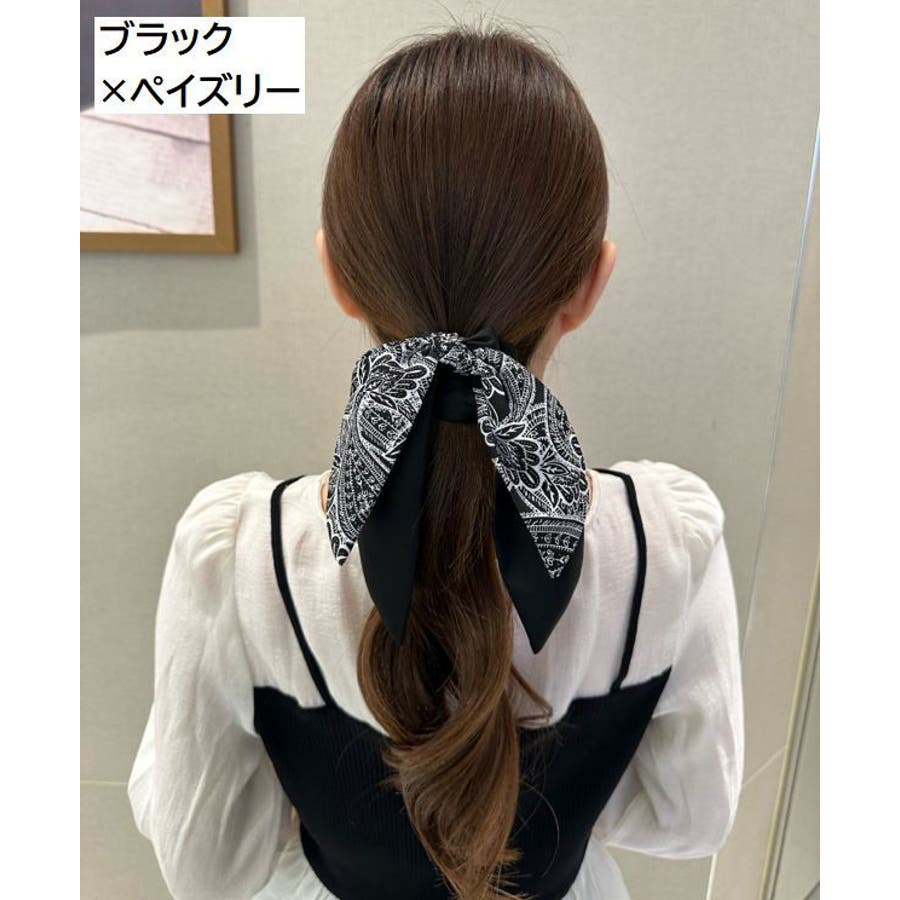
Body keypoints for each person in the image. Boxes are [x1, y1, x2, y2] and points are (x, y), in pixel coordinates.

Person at [127, 22, 744, 900]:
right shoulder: (669, 546)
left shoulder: (241, 561)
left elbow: (208, 865)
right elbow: (693, 819)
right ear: (589, 284)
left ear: (338, 275)